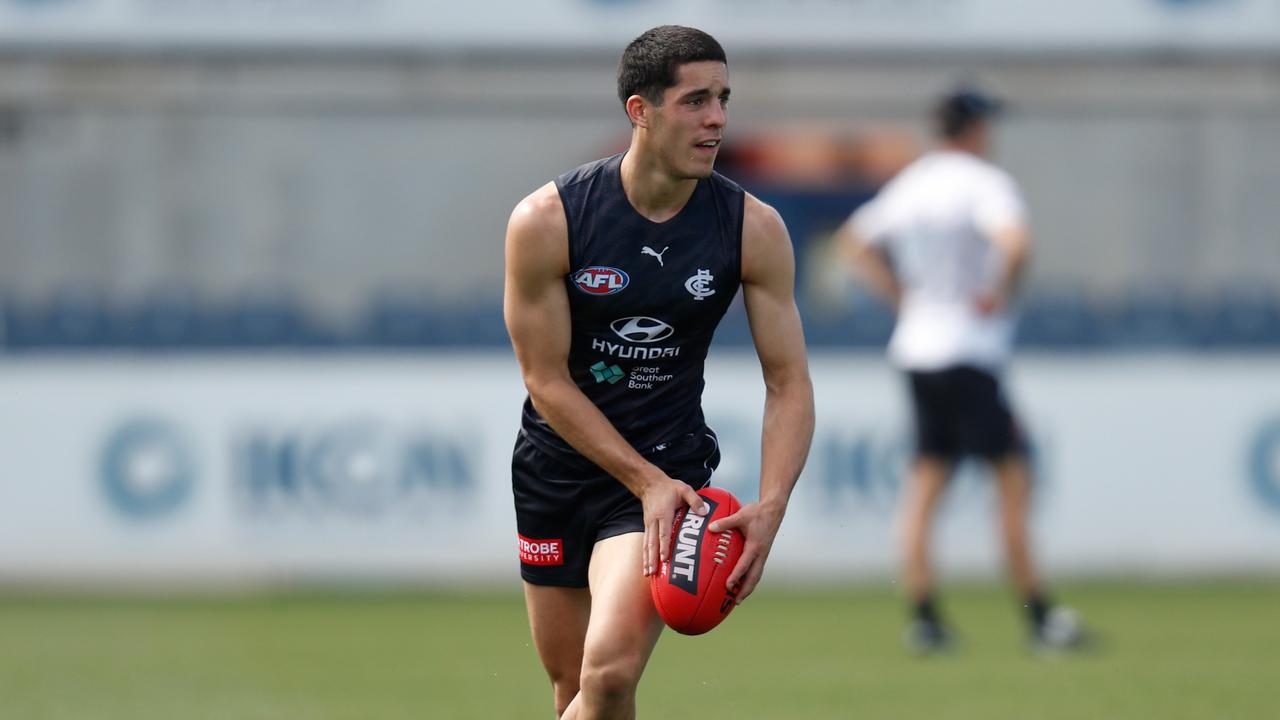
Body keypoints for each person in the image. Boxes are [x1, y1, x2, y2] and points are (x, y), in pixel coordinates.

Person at [503, 25, 814, 718]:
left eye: (724, 99)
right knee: (573, 694)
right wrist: (638, 480)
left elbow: (788, 380)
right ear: (639, 111)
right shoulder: (547, 221)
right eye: (695, 100)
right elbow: (545, 379)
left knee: (608, 675)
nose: (717, 119)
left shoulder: (750, 227)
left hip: (668, 475)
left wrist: (771, 502)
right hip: (558, 470)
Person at [836, 87, 1085, 654]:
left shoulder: (915, 182)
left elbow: (853, 242)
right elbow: (1016, 243)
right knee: (1013, 479)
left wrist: (901, 295)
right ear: (973, 130)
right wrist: (997, 290)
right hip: (970, 351)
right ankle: (1041, 616)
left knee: (925, 483)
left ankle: (923, 615)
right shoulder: (984, 183)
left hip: (918, 348)